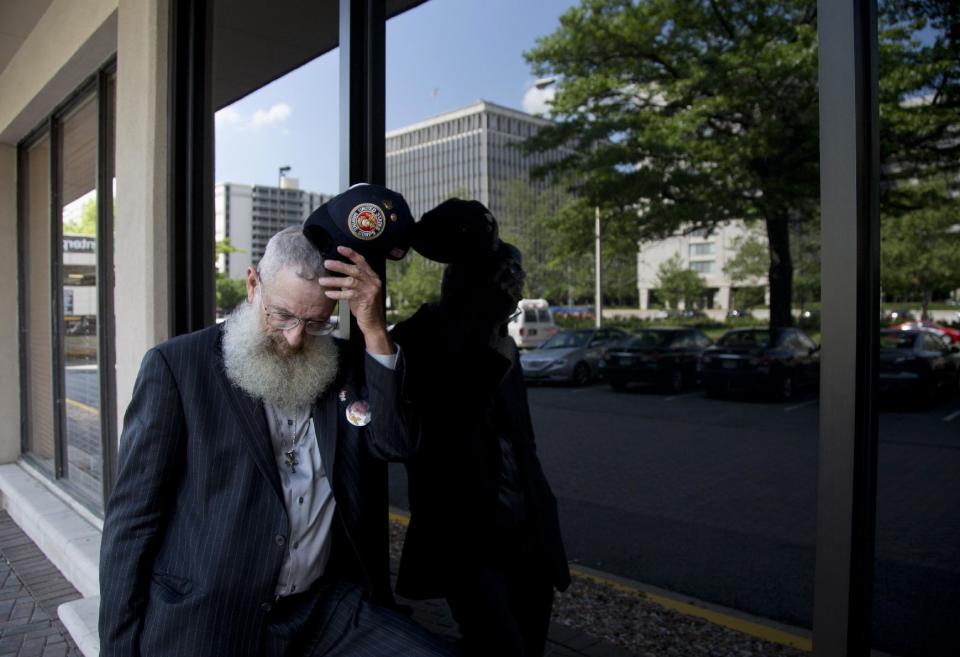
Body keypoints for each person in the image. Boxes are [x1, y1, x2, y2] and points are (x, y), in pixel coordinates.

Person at [99, 201, 457, 656]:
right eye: (282, 315)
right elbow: (132, 519)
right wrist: (118, 645)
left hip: (325, 608)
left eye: (315, 322)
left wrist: (374, 330)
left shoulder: (348, 365)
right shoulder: (178, 367)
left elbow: (395, 445)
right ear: (253, 285)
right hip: (211, 613)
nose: (295, 338)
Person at [391, 199, 570, 657]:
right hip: (466, 536)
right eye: (503, 278)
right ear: (463, 278)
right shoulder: (420, 339)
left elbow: (523, 442)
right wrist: (492, 348)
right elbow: (444, 423)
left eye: (514, 278)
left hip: (525, 529)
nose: (514, 289)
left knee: (528, 643)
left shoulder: (500, 340)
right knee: (499, 644)